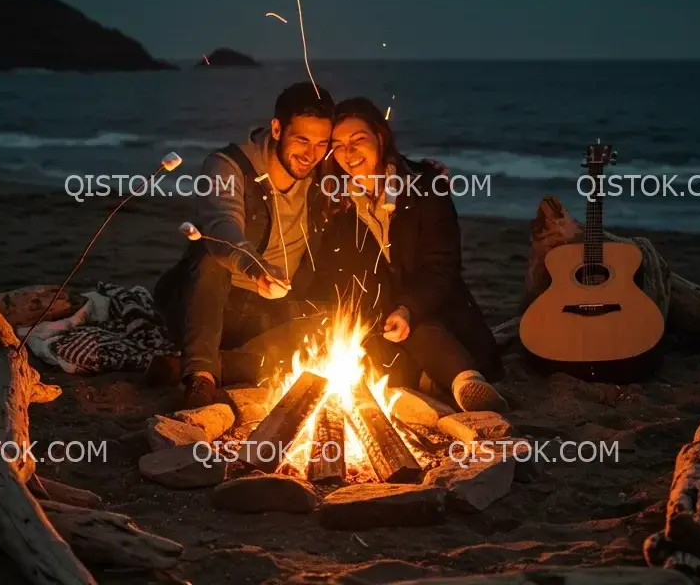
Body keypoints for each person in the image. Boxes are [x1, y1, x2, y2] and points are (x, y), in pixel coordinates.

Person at [314, 96, 507, 413]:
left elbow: (442, 266)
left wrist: (408, 308)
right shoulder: (337, 203)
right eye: (337, 145)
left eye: (357, 140)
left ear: (380, 136)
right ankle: (440, 379)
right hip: (378, 325)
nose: (348, 154)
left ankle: (466, 383)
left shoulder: (426, 186)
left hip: (439, 315)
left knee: (417, 326)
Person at [152, 82, 335, 408]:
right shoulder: (227, 166)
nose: (311, 154)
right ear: (277, 128)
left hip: (268, 314)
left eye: (322, 143)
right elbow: (223, 229)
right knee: (209, 254)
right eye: (302, 140)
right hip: (209, 306)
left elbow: (367, 157)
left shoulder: (322, 171)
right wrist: (256, 267)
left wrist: (419, 171)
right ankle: (201, 380)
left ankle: (195, 365)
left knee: (332, 333)